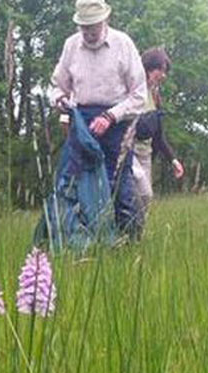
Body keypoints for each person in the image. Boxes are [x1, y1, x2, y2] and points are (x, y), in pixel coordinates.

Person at [49, 0, 147, 237]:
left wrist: (111, 116)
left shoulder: (123, 44)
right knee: (74, 185)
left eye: (93, 26)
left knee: (119, 187)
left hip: (117, 125)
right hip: (81, 124)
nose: (89, 32)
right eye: (84, 27)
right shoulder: (71, 46)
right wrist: (60, 99)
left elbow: (139, 96)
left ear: (105, 21)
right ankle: (78, 243)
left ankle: (128, 245)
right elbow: (56, 86)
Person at [132, 47, 184, 216]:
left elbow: (158, 136)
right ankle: (125, 233)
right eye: (160, 70)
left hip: (145, 155)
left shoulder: (155, 95)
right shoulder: (133, 90)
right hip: (128, 152)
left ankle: (135, 239)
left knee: (146, 201)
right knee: (143, 195)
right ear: (148, 67)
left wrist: (173, 160)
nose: (163, 75)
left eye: (165, 71)